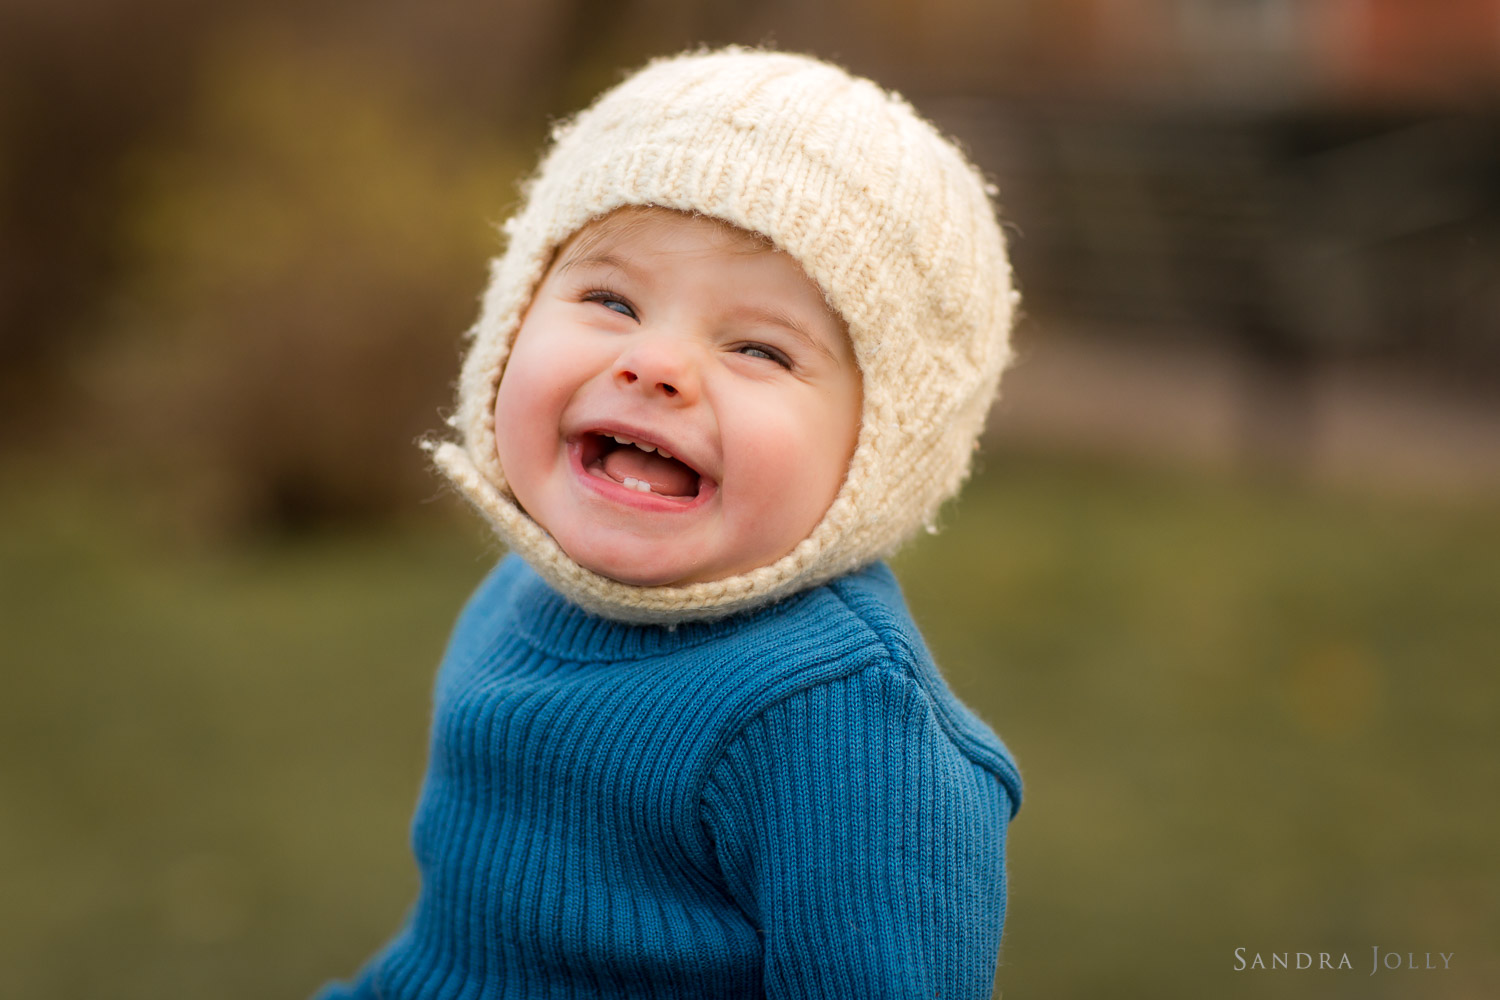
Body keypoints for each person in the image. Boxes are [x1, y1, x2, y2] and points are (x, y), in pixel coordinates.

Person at [316, 46, 1023, 1000]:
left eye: (759, 349)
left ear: (883, 448)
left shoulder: (840, 726)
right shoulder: (527, 589)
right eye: (610, 299)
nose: (657, 364)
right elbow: (459, 956)